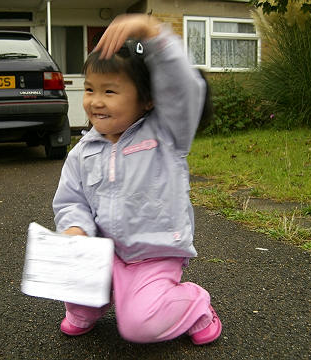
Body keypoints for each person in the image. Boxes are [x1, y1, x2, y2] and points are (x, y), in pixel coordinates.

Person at [52, 14, 222, 345]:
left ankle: (195, 304)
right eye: (89, 89)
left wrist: (151, 33)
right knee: (71, 267)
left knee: (138, 327)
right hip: (106, 253)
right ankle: (87, 307)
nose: (95, 100)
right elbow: (72, 202)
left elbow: (180, 85)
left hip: (153, 255)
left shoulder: (167, 134)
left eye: (110, 90)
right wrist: (76, 229)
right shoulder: (82, 153)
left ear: (147, 98)